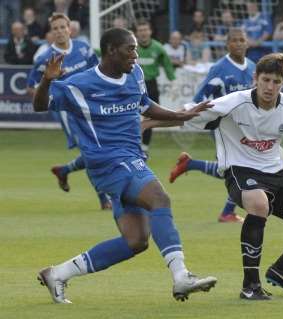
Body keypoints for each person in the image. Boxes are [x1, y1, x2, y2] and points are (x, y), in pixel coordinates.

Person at [32, 27, 217, 304]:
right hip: (107, 163)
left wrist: (179, 114)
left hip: (130, 161)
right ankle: (181, 277)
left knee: (136, 241)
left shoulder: (136, 75)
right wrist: (46, 81)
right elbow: (39, 105)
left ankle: (57, 274)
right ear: (110, 51)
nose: (136, 54)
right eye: (130, 49)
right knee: (160, 198)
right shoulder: (79, 85)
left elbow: (144, 105)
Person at [184, 53, 283, 300]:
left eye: (276, 82)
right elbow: (188, 114)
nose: (270, 87)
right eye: (266, 80)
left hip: (276, 175)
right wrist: (149, 122)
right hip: (240, 171)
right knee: (258, 203)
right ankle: (250, 286)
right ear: (255, 78)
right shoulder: (234, 103)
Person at [168, 28, 255, 223]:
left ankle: (190, 164)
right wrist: (188, 114)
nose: (239, 43)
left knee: (233, 169)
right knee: (239, 169)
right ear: (227, 44)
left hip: (245, 128)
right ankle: (227, 212)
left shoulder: (252, 67)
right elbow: (201, 97)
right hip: (222, 127)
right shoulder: (220, 68)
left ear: (247, 43)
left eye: (242, 40)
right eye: (234, 40)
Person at [27, 13, 110, 210]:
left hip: (91, 107)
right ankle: (104, 199)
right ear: (51, 33)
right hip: (68, 112)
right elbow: (31, 86)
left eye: (62, 27)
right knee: (92, 151)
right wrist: (50, 88)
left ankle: (64, 170)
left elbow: (98, 72)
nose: (59, 31)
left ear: (69, 29)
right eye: (55, 28)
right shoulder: (45, 58)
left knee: (99, 149)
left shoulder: (83, 48)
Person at [135, 19, 176, 155]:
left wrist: (173, 82)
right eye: (140, 30)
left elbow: (168, 66)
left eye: (145, 30)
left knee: (150, 118)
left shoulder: (158, 48)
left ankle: (145, 148)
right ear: (137, 33)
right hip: (134, 85)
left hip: (151, 85)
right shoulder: (131, 47)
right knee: (130, 115)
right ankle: (132, 145)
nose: (143, 33)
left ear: (150, 31)